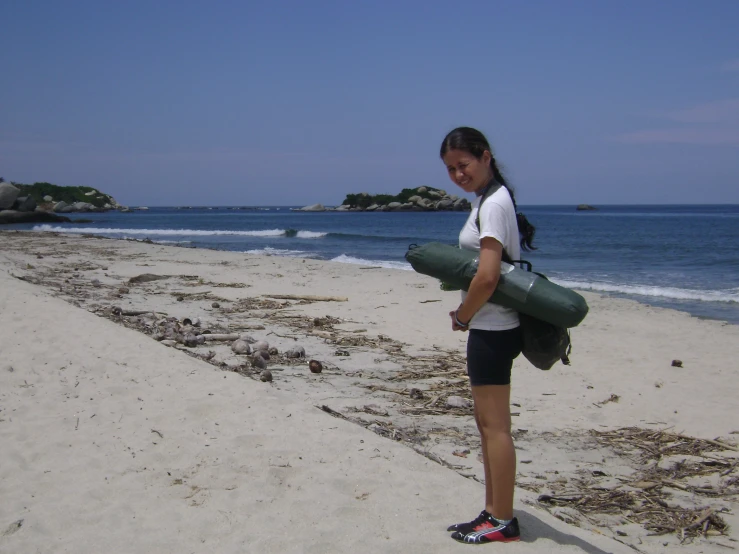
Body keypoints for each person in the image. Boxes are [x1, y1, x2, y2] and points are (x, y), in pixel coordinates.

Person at [440, 127, 536, 544]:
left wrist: (463, 315)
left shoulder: (494, 204)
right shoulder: (489, 199)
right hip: (490, 326)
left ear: (485, 157)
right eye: (450, 169)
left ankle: (502, 520)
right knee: (486, 424)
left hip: (493, 328)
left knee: (495, 427)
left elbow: (488, 276)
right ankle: (493, 511)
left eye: (463, 165)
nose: (458, 175)